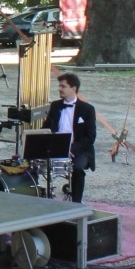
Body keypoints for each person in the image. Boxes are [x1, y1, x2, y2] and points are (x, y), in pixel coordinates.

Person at [43, 72, 97, 202]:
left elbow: (90, 137)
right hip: (56, 148)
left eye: (63, 86)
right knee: (32, 164)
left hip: (79, 150)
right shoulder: (55, 106)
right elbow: (46, 128)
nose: (59, 89)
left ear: (73, 89)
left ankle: (76, 203)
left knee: (77, 169)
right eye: (59, 86)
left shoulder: (87, 109)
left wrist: (72, 149)